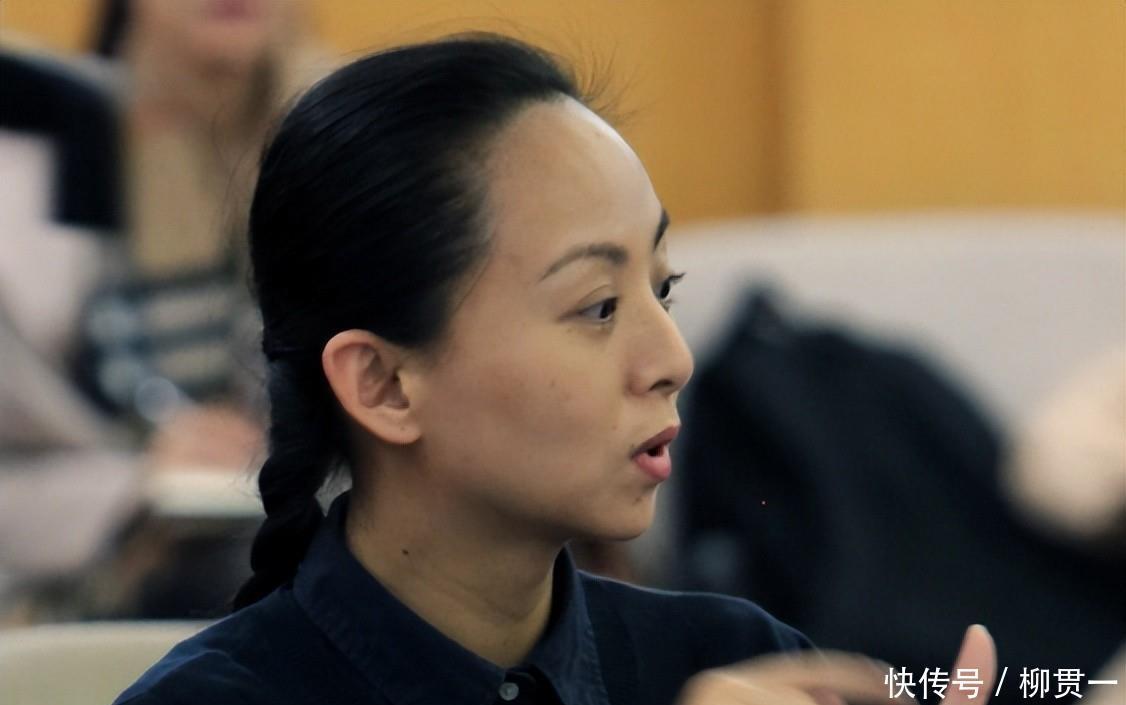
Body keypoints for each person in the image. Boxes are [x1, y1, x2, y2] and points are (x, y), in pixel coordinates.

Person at [114, 34, 995, 705]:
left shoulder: (735, 659)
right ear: (382, 383)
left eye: (663, 288)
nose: (673, 358)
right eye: (598, 306)